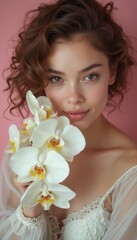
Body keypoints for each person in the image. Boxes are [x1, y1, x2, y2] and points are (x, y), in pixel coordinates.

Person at [0, 0, 137, 239]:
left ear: (112, 72)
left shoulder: (130, 172)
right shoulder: (23, 151)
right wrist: (29, 209)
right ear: (40, 80)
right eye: (56, 79)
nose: (74, 98)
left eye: (90, 76)